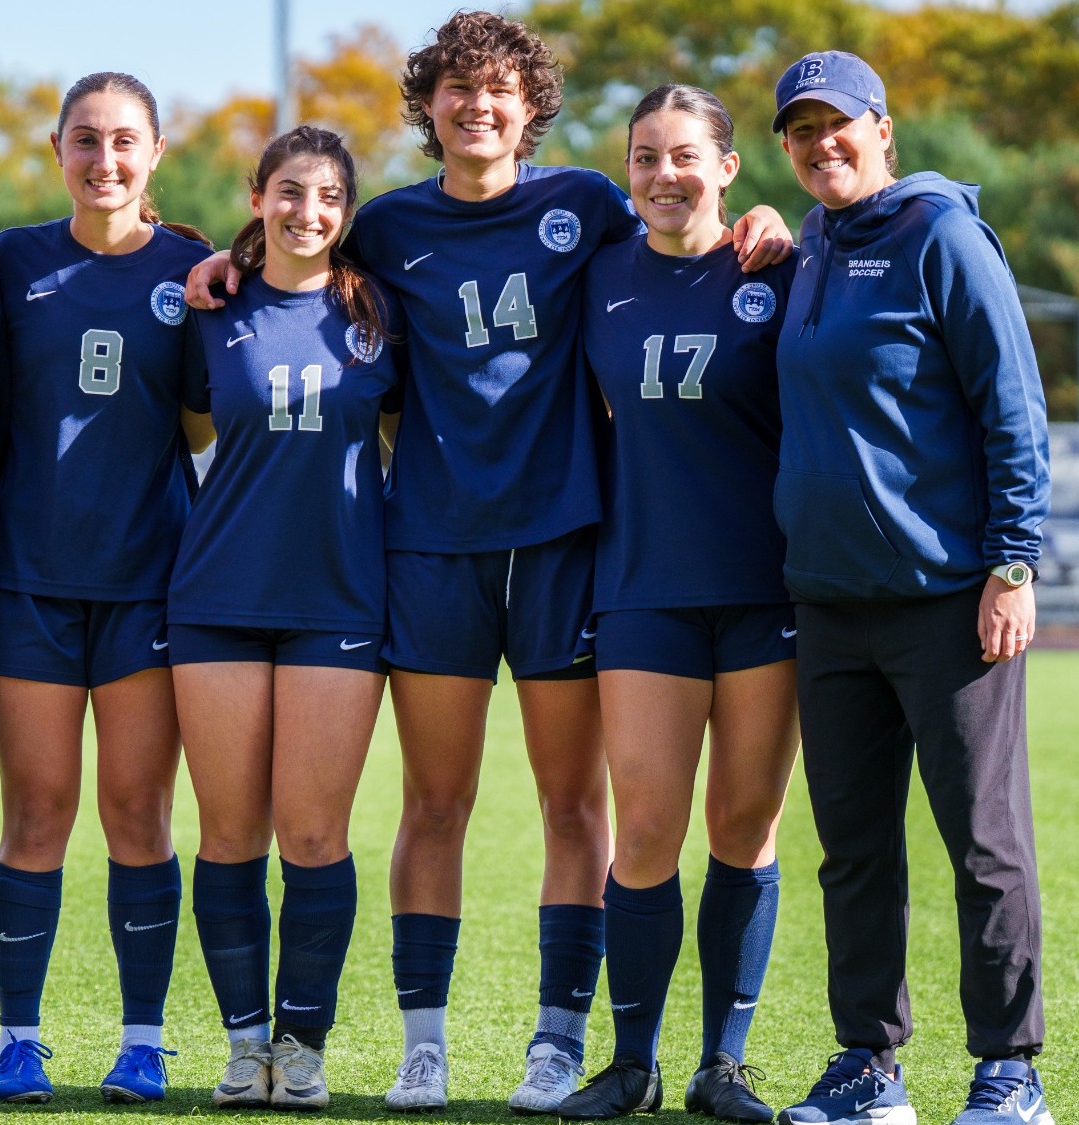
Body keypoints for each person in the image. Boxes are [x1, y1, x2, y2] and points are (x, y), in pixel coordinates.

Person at [187, 14, 794, 1112]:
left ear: (531, 108)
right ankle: (426, 1042)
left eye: (499, 91)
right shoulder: (384, 225)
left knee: (575, 807)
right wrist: (214, 267)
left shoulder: (586, 206)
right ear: (427, 109)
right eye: (456, 91)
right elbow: (292, 255)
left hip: (564, 540)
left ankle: (558, 1042)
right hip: (426, 544)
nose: (478, 108)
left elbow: (686, 238)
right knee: (434, 803)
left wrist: (759, 218)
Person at [767, 51, 1054, 1125]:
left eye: (835, 125)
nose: (818, 145)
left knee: (980, 844)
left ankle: (1007, 1070)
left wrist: (1010, 563)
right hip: (827, 604)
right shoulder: (807, 247)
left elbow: (1010, 406)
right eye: (798, 131)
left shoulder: (940, 236)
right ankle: (867, 1069)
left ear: (881, 129)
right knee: (852, 851)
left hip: (945, 600)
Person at [555, 84, 797, 1125]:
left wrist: (784, 232)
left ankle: (721, 1065)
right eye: (645, 157)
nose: (664, 175)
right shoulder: (594, 272)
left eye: (685, 156)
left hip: (763, 589)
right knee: (644, 829)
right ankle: (631, 1065)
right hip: (642, 587)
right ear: (626, 172)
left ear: (727, 168)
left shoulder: (779, 271)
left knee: (743, 824)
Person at [0, 72, 214, 1105]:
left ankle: (142, 1040)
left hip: (148, 584)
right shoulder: (16, 259)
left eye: (124, 141)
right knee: (34, 811)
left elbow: (205, 425)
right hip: (27, 580)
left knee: (136, 812)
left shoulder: (192, 269)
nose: (103, 159)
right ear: (56, 148)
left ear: (155, 152)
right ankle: (18, 1038)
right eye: (84, 140)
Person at [174, 124, 403, 1113]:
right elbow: (190, 438)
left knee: (314, 835)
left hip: (338, 596)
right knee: (228, 835)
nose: (307, 212)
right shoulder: (209, 307)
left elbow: (401, 441)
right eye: (290, 191)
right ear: (258, 195)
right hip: (218, 595)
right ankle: (240, 1048)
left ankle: (300, 1047)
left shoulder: (377, 312)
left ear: (344, 214)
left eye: (327, 198)